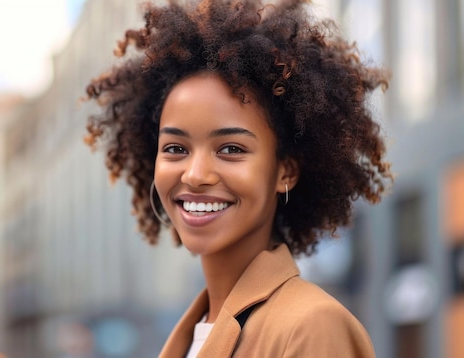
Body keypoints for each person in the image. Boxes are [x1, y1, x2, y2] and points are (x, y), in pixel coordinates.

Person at [84, 0, 392, 356]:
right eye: (175, 148)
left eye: (230, 149)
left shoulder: (311, 327)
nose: (195, 175)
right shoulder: (192, 335)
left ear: (285, 171)